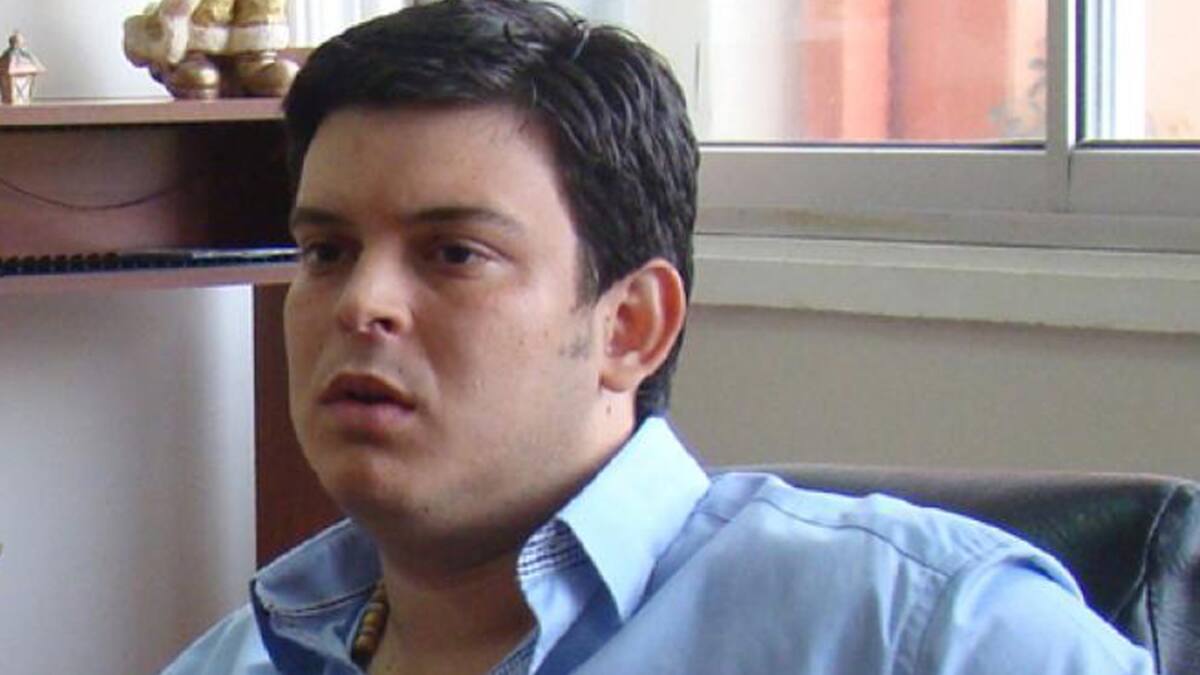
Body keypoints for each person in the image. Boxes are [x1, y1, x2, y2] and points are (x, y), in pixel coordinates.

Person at [164, 1, 1155, 673]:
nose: (361, 303)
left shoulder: (918, 628)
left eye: (454, 253)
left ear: (630, 326)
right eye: (328, 251)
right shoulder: (237, 657)